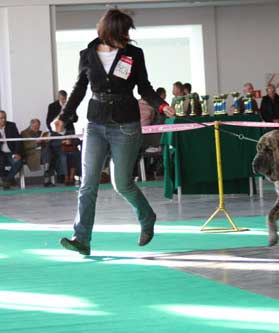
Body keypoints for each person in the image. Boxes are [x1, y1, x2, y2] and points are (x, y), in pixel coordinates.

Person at [53, 9, 176, 255]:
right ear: (108, 32)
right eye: (122, 32)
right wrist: (63, 117)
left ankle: (147, 217)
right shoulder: (87, 54)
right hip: (95, 124)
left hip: (126, 125)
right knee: (88, 184)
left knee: (122, 184)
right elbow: (79, 89)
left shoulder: (134, 54)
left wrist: (161, 105)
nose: (126, 37)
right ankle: (82, 238)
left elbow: (145, 87)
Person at [0, 111, 23, 190]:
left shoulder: (11, 125)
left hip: (11, 152)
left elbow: (18, 140)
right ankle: (8, 178)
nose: (3, 120)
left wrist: (17, 153)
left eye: (4, 118)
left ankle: (6, 180)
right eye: (1, 118)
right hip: (1, 153)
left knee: (18, 162)